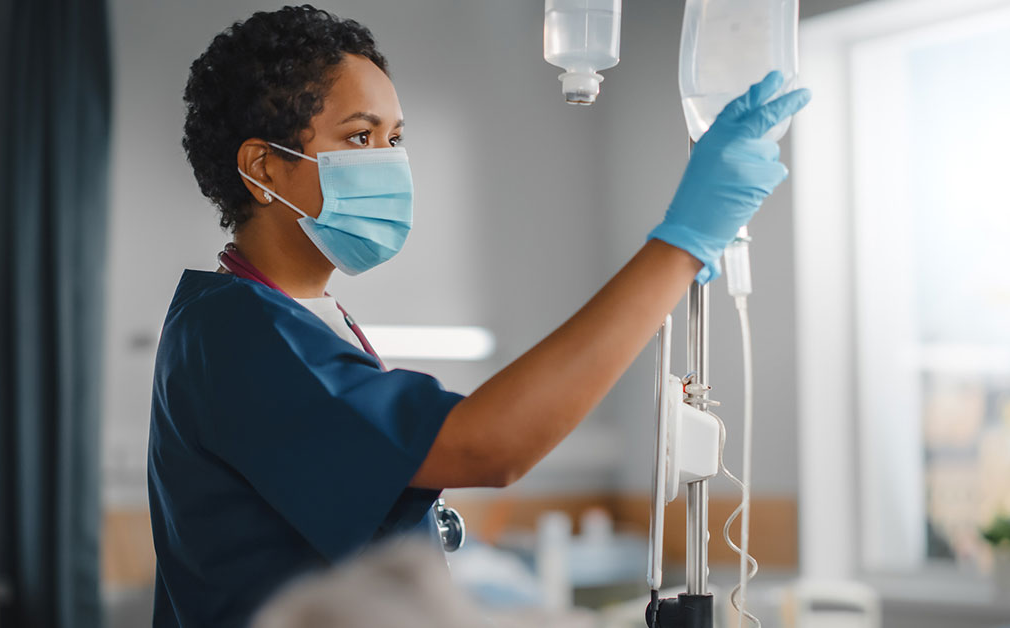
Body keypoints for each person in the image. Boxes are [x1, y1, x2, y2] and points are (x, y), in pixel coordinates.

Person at [148, 5, 810, 626]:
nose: (390, 162)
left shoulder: (301, 319)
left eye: (396, 138)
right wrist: (680, 247)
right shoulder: (236, 336)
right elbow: (485, 445)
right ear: (263, 167)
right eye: (360, 137)